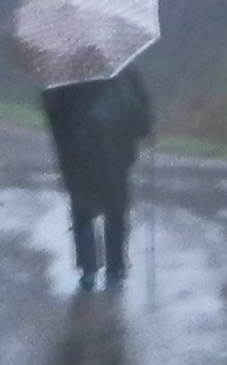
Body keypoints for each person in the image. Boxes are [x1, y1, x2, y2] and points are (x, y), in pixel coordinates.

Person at [39, 62, 155, 290]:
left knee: (82, 213)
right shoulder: (125, 71)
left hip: (77, 156)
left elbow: (53, 116)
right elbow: (142, 120)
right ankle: (115, 270)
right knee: (116, 212)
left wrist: (64, 144)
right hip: (116, 155)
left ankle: (88, 270)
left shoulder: (66, 74)